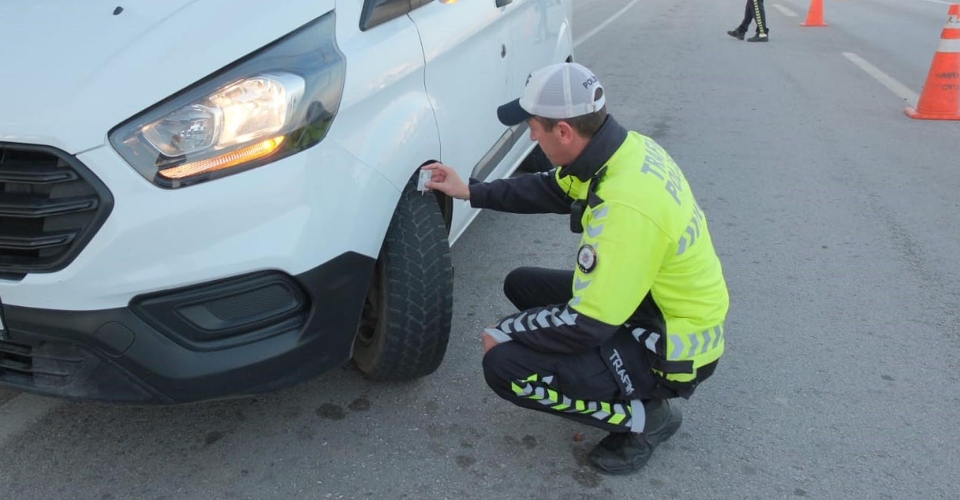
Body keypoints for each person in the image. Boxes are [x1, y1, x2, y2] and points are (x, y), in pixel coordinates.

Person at [422, 62, 729, 475]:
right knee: (523, 286)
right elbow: (549, 188)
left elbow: (588, 323)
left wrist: (504, 333)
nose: (531, 136)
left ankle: (647, 419)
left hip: (672, 347)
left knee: (505, 365)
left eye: (534, 127)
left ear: (564, 132)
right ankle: (607, 372)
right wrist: (469, 191)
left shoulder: (625, 206)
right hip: (647, 303)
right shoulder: (622, 150)